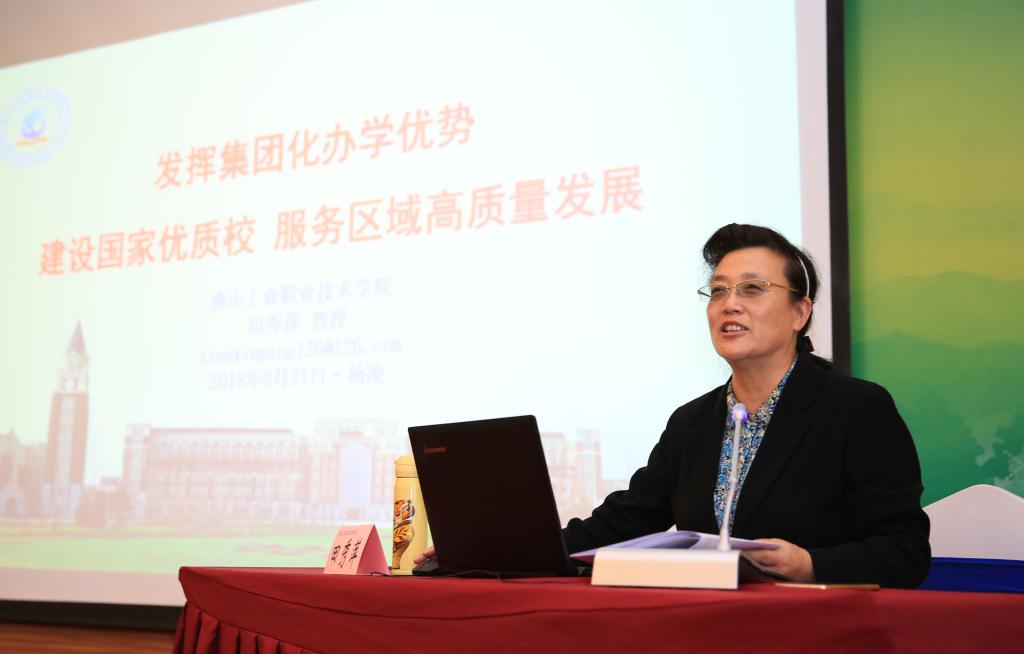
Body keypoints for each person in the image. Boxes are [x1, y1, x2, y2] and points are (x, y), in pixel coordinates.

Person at [417, 223, 931, 587]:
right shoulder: (693, 422)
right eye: (718, 291)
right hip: (703, 628)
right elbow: (622, 523)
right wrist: (499, 552)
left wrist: (809, 564)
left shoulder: (854, 409)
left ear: (801, 312)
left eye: (752, 289)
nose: (730, 304)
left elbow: (904, 551)